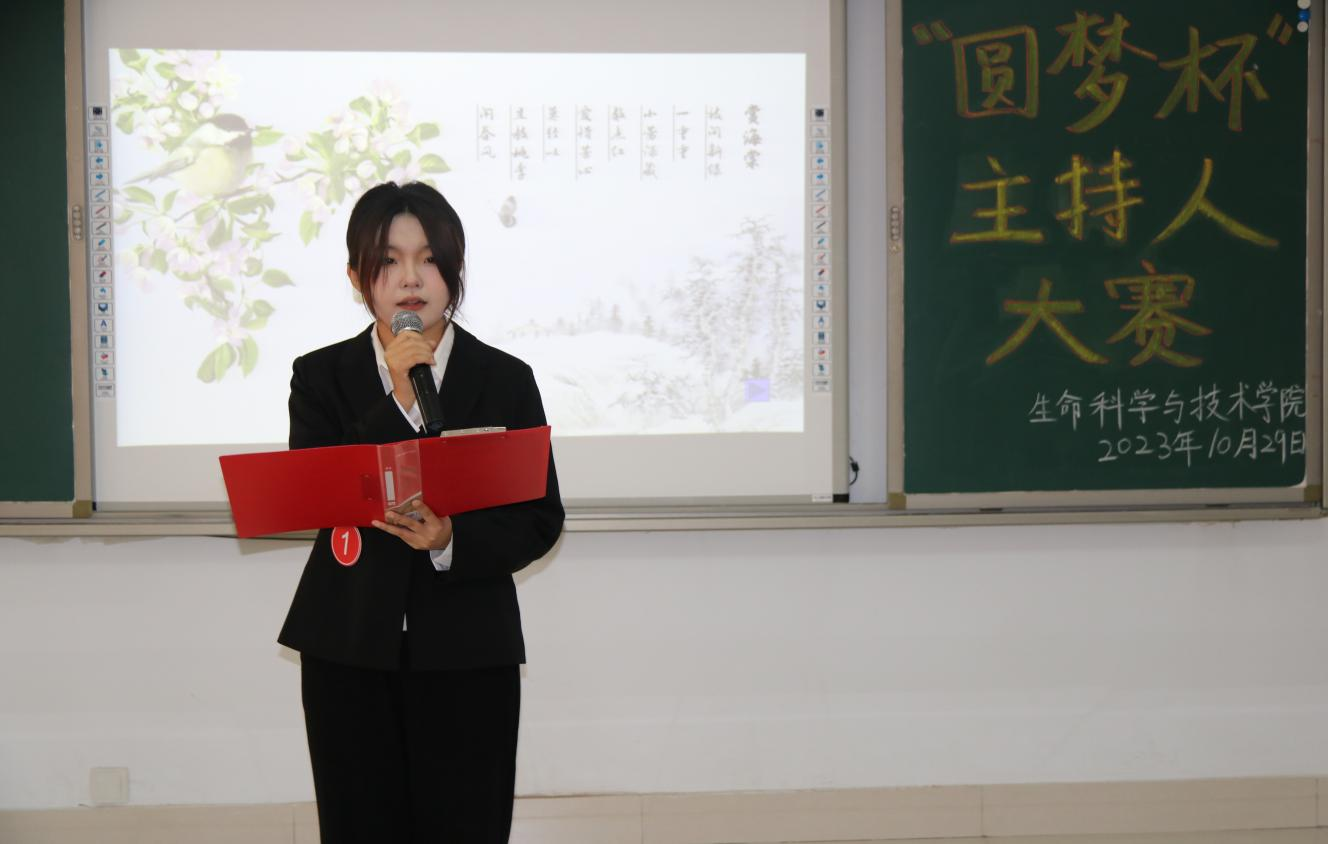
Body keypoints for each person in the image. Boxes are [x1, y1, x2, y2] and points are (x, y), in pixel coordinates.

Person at [277, 181, 564, 843]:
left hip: (469, 650)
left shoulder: (505, 378)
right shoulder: (320, 376)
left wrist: (449, 539)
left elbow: (539, 518)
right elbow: (320, 490)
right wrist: (400, 400)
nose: (410, 279)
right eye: (388, 261)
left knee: (466, 824)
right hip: (348, 645)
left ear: (454, 271)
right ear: (357, 277)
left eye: (429, 259)